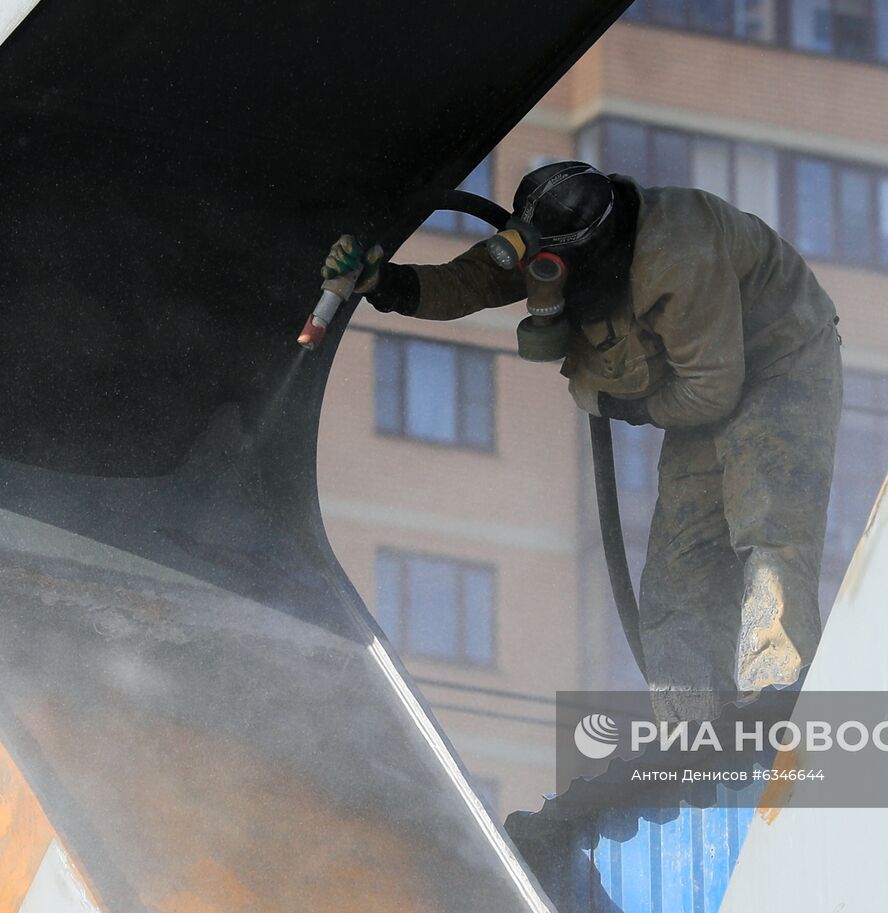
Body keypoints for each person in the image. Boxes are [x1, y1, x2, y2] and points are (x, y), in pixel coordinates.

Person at [326, 161, 841, 717]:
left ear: (596, 250)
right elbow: (467, 282)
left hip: (777, 362)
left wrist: (619, 402)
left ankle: (774, 708)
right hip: (699, 378)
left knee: (767, 530)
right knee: (677, 571)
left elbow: (713, 391)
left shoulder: (677, 254)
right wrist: (383, 282)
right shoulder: (549, 247)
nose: (539, 280)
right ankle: (689, 735)